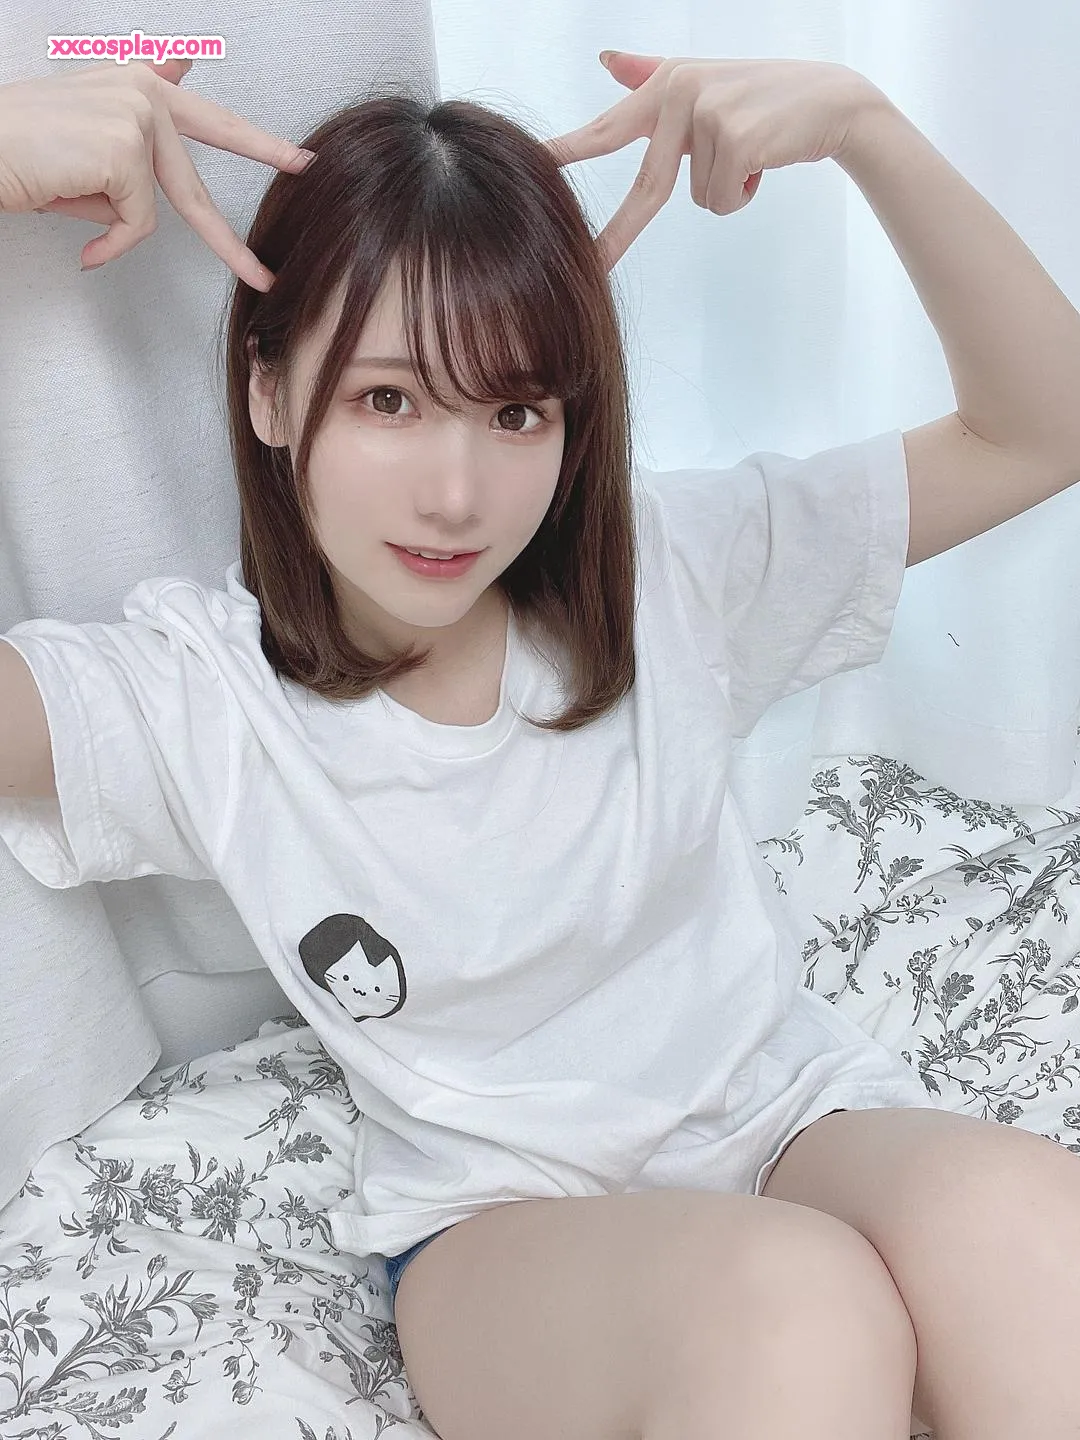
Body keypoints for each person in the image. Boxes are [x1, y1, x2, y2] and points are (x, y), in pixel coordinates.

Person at [3, 48, 1080, 1440]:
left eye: (516, 412)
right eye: (388, 400)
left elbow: (1040, 429)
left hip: (787, 1119)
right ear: (268, 394)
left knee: (1031, 1222)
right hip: (500, 1221)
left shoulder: (675, 572)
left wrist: (869, 126)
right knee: (797, 1304)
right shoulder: (198, 697)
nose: (456, 495)